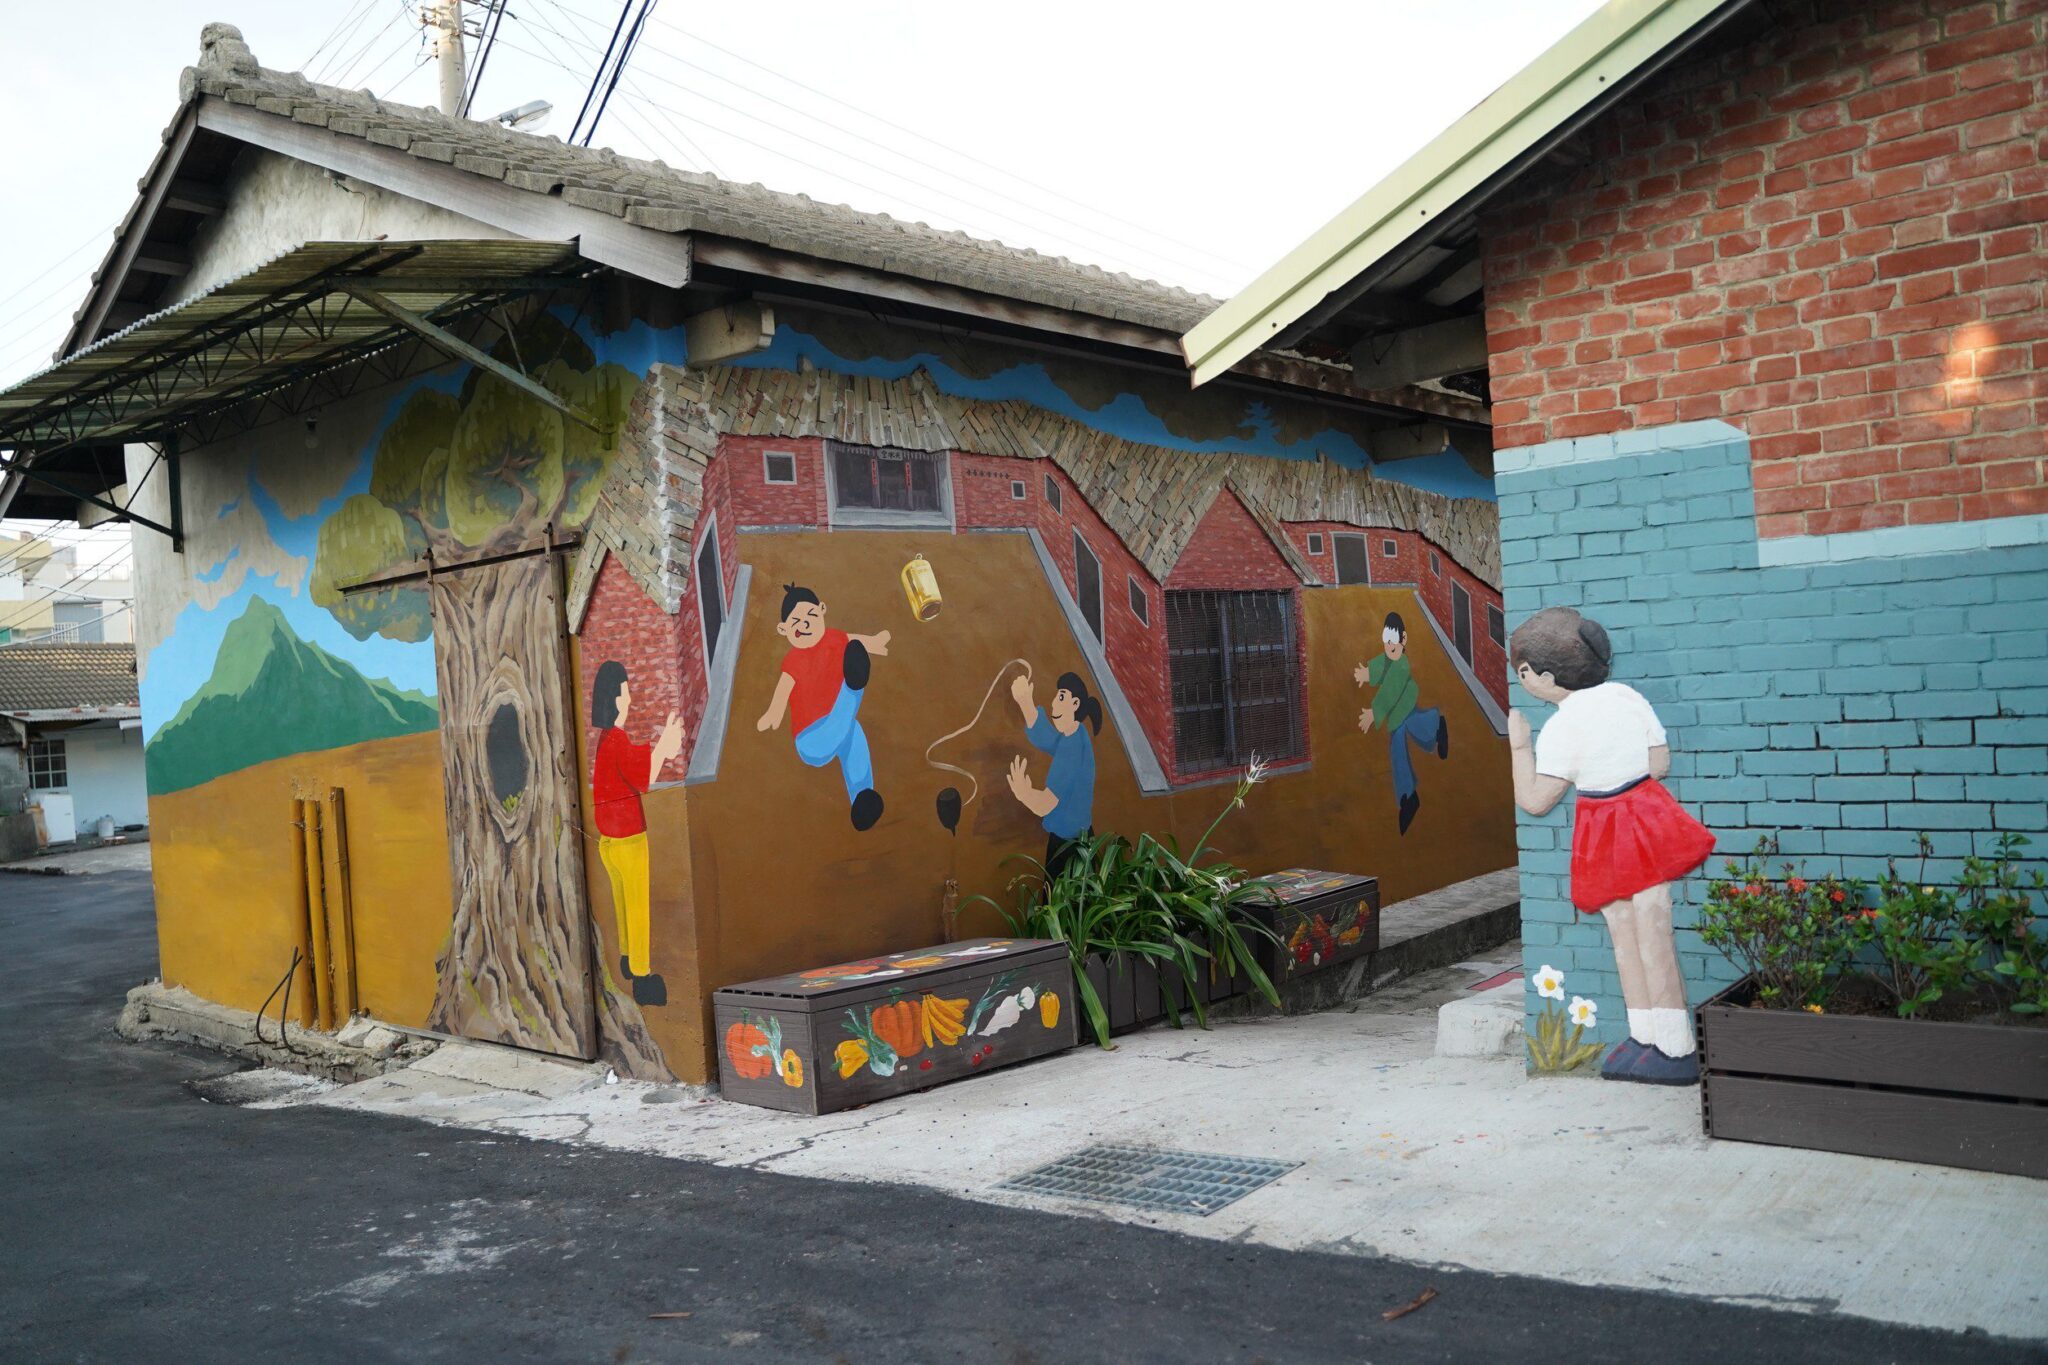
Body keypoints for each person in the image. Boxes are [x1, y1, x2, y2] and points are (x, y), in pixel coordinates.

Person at [1507, 606, 1716, 1085]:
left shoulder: (1560, 727)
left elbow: (1536, 800)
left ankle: (1674, 1047)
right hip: (1644, 812)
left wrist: (1519, 747)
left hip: (1603, 823)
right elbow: (1659, 762)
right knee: (1647, 929)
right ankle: (1650, 1038)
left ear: (1542, 676)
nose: (1523, 682)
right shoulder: (1626, 696)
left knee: (1631, 934)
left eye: (1522, 673)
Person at [756, 583, 891, 831]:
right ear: (783, 629)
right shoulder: (793, 660)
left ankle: (862, 797)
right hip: (812, 739)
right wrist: (773, 713)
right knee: (847, 712)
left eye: (811, 615)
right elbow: (783, 690)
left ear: (822, 610)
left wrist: (875, 642)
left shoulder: (835, 638)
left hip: (841, 724)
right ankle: (853, 688)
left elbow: (855, 642)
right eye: (797, 622)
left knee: (855, 735)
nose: (806, 624)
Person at [589, 661, 684, 1008]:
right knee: (637, 905)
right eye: (626, 693)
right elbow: (643, 776)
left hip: (608, 843)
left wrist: (663, 747)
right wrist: (665, 746)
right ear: (615, 699)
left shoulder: (606, 741)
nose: (629, 700)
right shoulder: (617, 740)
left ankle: (628, 959)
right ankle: (643, 978)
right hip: (628, 840)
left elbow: (636, 769)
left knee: (622, 903)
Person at [1355, 612, 1449, 834]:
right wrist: (1367, 673)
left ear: (1403, 639)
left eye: (1393, 641)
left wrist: (1374, 713)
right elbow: (1381, 665)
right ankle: (1408, 795)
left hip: (1403, 704)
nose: (1389, 646)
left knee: (1403, 738)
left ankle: (1408, 796)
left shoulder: (1402, 665)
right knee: (1405, 736)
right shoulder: (1390, 657)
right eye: (1386, 641)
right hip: (1399, 713)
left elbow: (1390, 691)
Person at [1005, 669, 1101, 882]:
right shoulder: (1075, 734)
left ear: (1075, 703)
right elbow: (1047, 739)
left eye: (1061, 697)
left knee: (1060, 900)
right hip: (1079, 841)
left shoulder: (1072, 748)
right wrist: (1025, 702)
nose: (1054, 703)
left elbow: (1045, 805)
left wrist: (1023, 793)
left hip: (1069, 848)